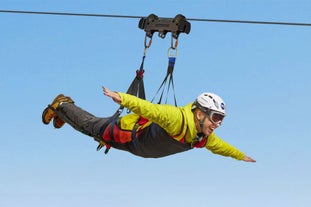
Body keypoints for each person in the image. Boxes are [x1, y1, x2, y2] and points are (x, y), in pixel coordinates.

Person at [42, 86, 256, 162]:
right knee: (91, 128)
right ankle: (62, 104)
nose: (218, 124)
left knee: (90, 129)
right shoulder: (176, 119)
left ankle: (64, 112)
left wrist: (240, 156)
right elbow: (148, 108)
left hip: (136, 147)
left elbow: (220, 147)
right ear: (200, 114)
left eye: (221, 119)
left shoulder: (202, 137)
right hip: (126, 134)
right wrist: (122, 98)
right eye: (215, 117)